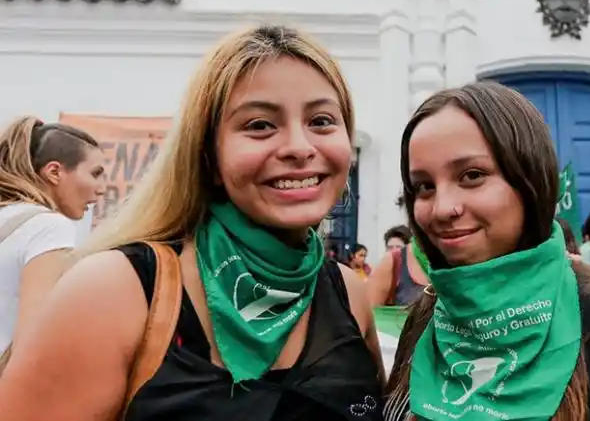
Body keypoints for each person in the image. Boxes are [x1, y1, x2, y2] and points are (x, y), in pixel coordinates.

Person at [0, 25, 385, 420]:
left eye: (321, 120)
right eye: (259, 125)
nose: (300, 148)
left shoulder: (349, 294)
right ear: (209, 157)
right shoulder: (116, 289)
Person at [384, 81, 590, 421]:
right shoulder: (427, 317)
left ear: (530, 179)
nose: (442, 208)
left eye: (472, 176)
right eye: (424, 186)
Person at [0, 117, 106, 363]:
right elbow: (34, 341)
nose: (101, 188)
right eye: (95, 173)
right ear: (55, 172)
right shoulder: (48, 226)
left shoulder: (8, 215)